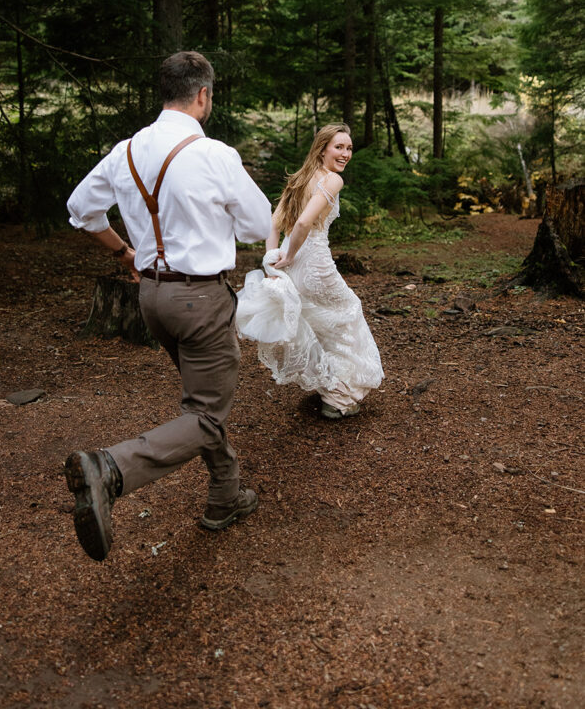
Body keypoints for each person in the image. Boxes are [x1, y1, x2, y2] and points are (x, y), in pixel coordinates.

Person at [64, 51, 271, 561]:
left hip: (151, 297)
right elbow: (258, 225)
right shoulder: (214, 154)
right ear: (202, 95)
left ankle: (226, 494)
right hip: (200, 298)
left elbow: (80, 211)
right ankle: (111, 468)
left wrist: (124, 252)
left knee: (201, 403)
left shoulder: (126, 151)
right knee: (205, 414)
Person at [238, 123, 383, 419]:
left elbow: (274, 222)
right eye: (339, 147)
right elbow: (303, 223)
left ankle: (328, 386)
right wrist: (287, 256)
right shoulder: (331, 181)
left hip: (295, 266)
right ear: (322, 148)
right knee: (348, 315)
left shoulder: (301, 178)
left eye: (349, 148)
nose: (345, 154)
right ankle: (340, 397)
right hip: (314, 264)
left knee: (319, 323)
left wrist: (272, 258)